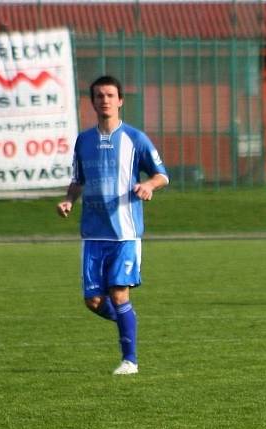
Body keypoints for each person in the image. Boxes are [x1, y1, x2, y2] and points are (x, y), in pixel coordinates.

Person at [56, 75, 169, 375]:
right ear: (92, 101)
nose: (104, 100)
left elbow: (162, 175)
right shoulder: (84, 140)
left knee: (119, 294)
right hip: (93, 234)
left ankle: (129, 360)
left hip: (125, 234)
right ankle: (126, 319)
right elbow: (78, 180)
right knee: (93, 301)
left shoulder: (135, 138)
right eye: (99, 96)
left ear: (120, 100)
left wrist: (149, 186)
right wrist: (69, 200)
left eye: (110, 95)